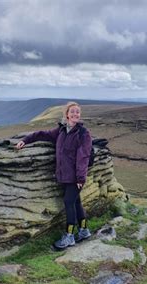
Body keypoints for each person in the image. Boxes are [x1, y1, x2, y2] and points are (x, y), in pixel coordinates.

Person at [15, 102, 93, 250]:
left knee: (69, 202)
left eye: (78, 112)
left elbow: (83, 156)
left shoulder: (83, 133)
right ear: (67, 114)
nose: (76, 114)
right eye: (73, 112)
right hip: (64, 176)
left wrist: (80, 178)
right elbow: (42, 134)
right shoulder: (61, 131)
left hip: (76, 177)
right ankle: (83, 231)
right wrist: (25, 140)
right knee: (76, 202)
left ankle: (69, 236)